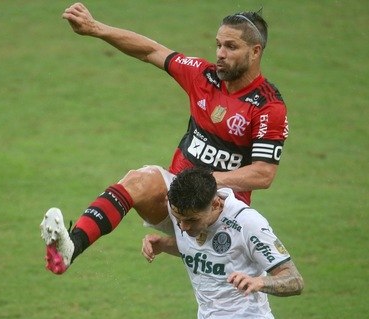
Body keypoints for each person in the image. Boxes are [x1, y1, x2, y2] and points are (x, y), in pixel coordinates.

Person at [41, 3, 290, 274]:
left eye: (231, 47)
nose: (220, 54)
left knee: (224, 297)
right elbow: (151, 51)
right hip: (178, 196)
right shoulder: (203, 76)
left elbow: (264, 174)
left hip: (219, 211)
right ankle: (72, 247)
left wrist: (207, 180)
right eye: (218, 45)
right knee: (138, 180)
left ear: (255, 52)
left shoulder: (267, 106)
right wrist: (95, 28)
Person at [100, 167, 303, 319]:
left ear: (215, 204)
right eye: (178, 219)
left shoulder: (248, 224)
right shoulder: (184, 215)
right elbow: (202, 249)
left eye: (191, 221)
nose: (182, 228)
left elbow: (294, 280)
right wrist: (163, 244)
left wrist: (260, 282)